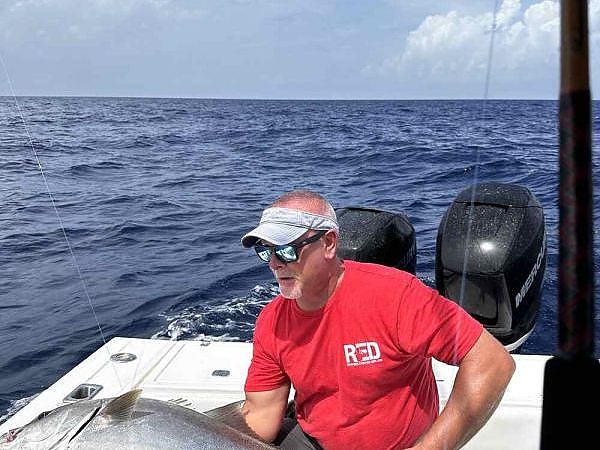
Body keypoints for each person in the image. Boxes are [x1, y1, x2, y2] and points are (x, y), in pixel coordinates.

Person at [240, 189, 515, 450]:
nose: (275, 263)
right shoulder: (271, 322)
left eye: (287, 250)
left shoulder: (395, 296)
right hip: (315, 440)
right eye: (265, 251)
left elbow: (493, 363)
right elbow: (261, 417)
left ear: (328, 243)